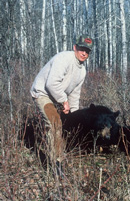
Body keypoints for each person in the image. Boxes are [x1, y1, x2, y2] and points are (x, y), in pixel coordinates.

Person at [30, 34, 93, 176]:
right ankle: (56, 164)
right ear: (75, 47)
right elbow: (51, 84)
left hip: (58, 98)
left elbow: (75, 94)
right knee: (55, 124)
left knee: (67, 125)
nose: (84, 53)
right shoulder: (64, 58)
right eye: (82, 49)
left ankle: (61, 152)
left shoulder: (82, 71)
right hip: (43, 94)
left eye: (87, 51)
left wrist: (75, 115)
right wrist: (64, 101)